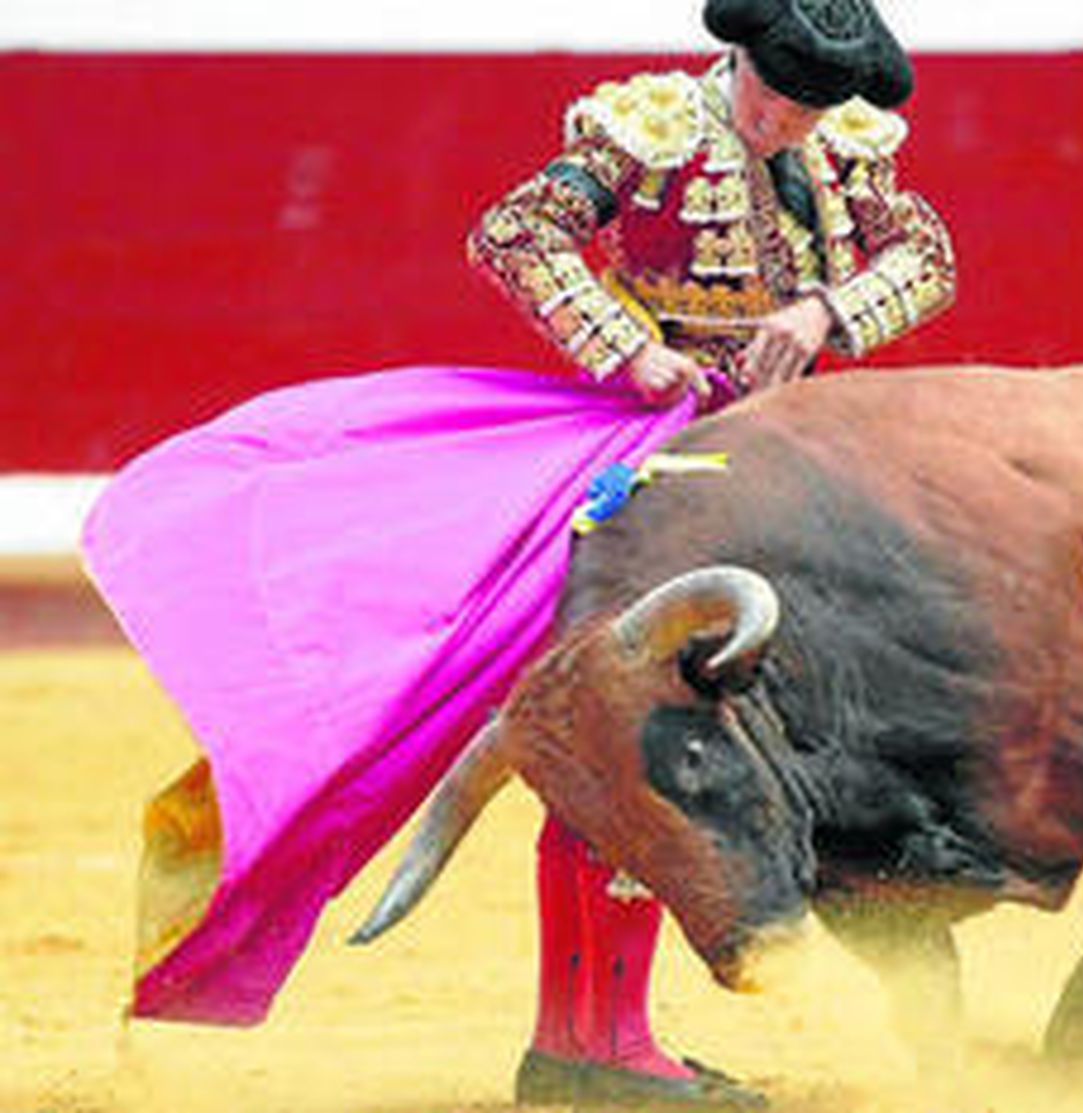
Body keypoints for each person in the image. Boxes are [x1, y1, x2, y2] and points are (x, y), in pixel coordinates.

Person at [81, 0, 952, 1108]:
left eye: (808, 109)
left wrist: (825, 309)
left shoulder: (844, 148)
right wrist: (631, 350)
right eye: (773, 97)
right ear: (737, 58)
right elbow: (514, 232)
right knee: (633, 743)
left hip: (769, 467)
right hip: (647, 466)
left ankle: (592, 1039)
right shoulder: (652, 128)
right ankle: (594, 1044)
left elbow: (929, 256)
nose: (784, 122)